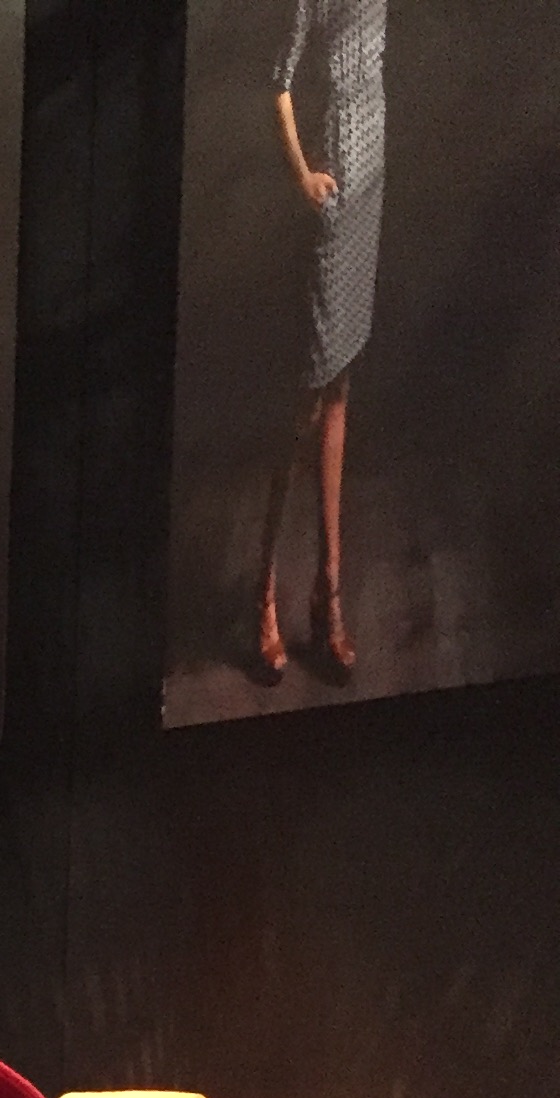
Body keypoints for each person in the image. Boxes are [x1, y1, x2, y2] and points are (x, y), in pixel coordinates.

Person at [257, 0, 384, 680]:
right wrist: (301, 173)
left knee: (340, 390)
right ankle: (265, 591)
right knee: (303, 403)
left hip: (370, 185)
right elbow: (277, 81)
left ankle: (326, 591)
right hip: (330, 196)